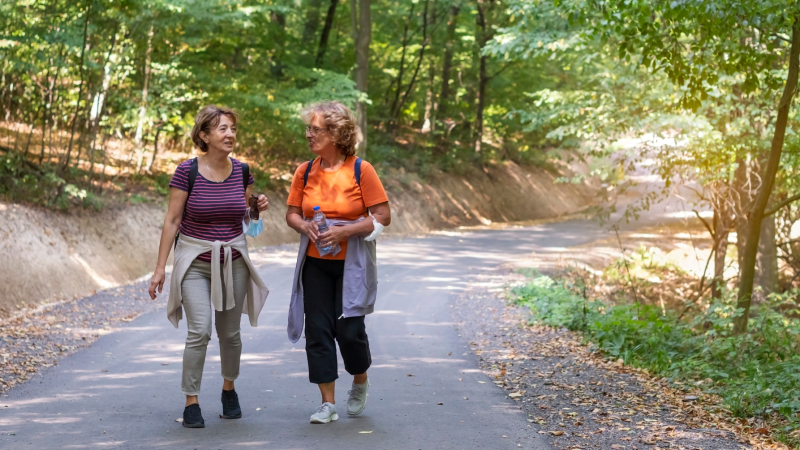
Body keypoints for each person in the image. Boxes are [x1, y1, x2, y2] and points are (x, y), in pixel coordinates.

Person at [148, 105, 270, 428]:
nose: (230, 134)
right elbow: (172, 221)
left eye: (232, 128)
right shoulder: (186, 171)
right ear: (204, 135)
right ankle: (191, 401)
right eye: (222, 129)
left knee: (230, 334)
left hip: (233, 260)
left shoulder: (243, 172)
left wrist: (255, 211)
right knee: (199, 331)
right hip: (194, 261)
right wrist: (160, 268)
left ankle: (229, 388)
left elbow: (247, 224)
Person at [285, 101, 391, 424]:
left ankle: (360, 378)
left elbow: (383, 216)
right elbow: (291, 213)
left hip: (352, 264)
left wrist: (344, 232)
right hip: (315, 263)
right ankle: (327, 403)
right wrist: (305, 226)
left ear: (335, 133)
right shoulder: (305, 171)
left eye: (315, 129)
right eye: (309, 128)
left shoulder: (362, 170)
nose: (309, 135)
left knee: (349, 330)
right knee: (317, 331)